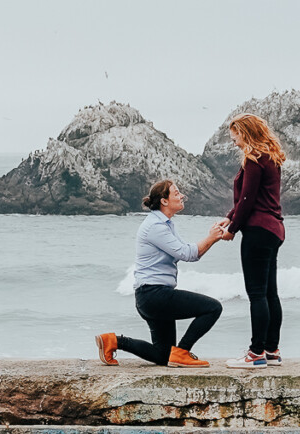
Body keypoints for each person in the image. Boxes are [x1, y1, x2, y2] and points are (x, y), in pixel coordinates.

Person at [98, 179, 229, 367]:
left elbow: (186, 250)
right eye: (176, 193)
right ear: (164, 201)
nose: (182, 195)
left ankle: (113, 341)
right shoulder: (156, 227)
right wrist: (212, 238)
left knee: (162, 355)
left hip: (150, 296)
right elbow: (188, 253)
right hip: (154, 295)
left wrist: (210, 238)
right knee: (213, 308)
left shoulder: (165, 224)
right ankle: (183, 352)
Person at [222, 114, 286, 367]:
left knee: (257, 294)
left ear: (246, 133)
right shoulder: (271, 157)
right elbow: (253, 199)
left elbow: (247, 200)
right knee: (271, 293)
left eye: (235, 136)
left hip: (257, 231)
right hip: (274, 229)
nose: (234, 142)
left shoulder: (254, 159)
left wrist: (233, 229)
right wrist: (229, 218)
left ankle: (255, 353)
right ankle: (272, 350)